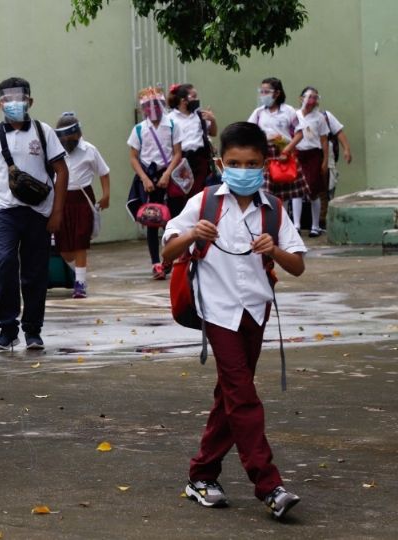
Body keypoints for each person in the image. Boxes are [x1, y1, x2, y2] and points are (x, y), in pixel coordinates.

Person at [162, 121, 306, 520]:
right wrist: (193, 234)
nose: (243, 169)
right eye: (235, 162)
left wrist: (274, 250)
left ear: (265, 164)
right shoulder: (204, 203)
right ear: (221, 163)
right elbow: (168, 253)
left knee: (228, 396)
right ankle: (269, 485)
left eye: (252, 163)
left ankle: (202, 475)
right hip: (218, 313)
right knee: (242, 396)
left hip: (255, 312)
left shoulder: (273, 210)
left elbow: (297, 266)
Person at [0, 77, 68, 351]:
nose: (14, 104)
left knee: (35, 271)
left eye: (20, 98)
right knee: (5, 265)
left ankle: (33, 330)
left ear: (30, 101)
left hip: (39, 212)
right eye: (7, 99)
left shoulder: (43, 131)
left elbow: (62, 170)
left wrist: (57, 211)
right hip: (4, 212)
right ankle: (7, 328)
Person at [126, 86, 184, 280]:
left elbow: (177, 153)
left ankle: (170, 257)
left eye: (155, 105)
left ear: (162, 105)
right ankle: (155, 263)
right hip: (148, 176)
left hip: (168, 176)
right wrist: (144, 178)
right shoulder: (140, 129)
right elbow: (133, 157)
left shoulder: (173, 125)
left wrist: (167, 174)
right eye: (147, 106)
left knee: (172, 219)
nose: (152, 110)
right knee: (152, 220)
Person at [54, 112, 110, 298]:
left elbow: (103, 172)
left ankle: (80, 283)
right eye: (63, 138)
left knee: (80, 241)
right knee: (64, 248)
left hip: (82, 199)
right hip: (61, 200)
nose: (67, 141)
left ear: (78, 134)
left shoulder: (89, 150)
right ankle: (77, 271)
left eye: (70, 137)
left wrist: (106, 195)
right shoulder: (55, 151)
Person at [249, 77, 309, 230]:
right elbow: (250, 131)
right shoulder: (258, 113)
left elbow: (299, 133)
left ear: (276, 93)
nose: (262, 95)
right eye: (261, 92)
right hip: (265, 156)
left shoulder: (288, 111)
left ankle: (289, 225)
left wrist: (287, 150)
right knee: (265, 191)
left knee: (286, 193)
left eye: (266, 92)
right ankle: (267, 224)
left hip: (284, 154)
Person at [292, 87, 330, 237]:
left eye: (315, 97)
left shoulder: (319, 117)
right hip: (297, 154)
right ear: (301, 99)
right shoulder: (294, 116)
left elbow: (324, 140)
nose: (311, 100)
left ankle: (315, 226)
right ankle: (296, 225)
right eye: (308, 97)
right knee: (297, 190)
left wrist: (325, 160)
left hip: (314, 155)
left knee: (313, 190)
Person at [167, 83, 217, 196]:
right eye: (193, 96)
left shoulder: (199, 116)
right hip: (181, 160)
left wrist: (212, 120)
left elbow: (213, 133)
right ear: (183, 100)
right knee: (181, 194)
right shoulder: (170, 119)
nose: (197, 99)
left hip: (200, 160)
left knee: (200, 194)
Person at [320, 108, 353, 224]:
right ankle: (315, 221)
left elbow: (339, 132)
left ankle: (325, 218)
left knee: (328, 186)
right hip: (308, 156)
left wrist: (347, 150)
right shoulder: (298, 115)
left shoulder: (325, 116)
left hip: (327, 155)